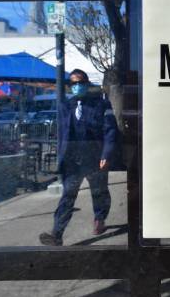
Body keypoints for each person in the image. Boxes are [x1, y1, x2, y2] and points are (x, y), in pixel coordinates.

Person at [39, 69, 118, 246]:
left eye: (80, 82)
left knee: (99, 192)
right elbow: (61, 135)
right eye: (73, 83)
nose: (77, 86)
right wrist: (61, 159)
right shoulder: (65, 107)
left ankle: (100, 219)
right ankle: (56, 234)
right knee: (67, 196)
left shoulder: (102, 104)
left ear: (87, 83)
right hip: (73, 161)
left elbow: (110, 130)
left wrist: (106, 154)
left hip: (95, 158)